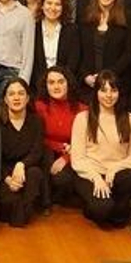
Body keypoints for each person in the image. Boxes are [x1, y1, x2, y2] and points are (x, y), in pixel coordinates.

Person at [70, 72, 131, 227]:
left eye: (113, 90)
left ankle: (120, 204)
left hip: (117, 174)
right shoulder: (83, 118)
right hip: (91, 174)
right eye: (103, 90)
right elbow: (77, 159)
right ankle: (101, 205)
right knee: (102, 210)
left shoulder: (130, 119)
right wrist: (96, 177)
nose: (109, 95)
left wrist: (115, 168)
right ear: (96, 92)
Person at [74, 0, 131, 104]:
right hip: (88, 87)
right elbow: (77, 51)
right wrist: (86, 76)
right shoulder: (85, 18)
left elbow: (130, 53)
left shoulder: (127, 18)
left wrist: (107, 77)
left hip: (116, 86)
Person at [0, 77, 47, 226]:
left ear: (27, 98)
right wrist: (8, 179)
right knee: (11, 203)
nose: (16, 98)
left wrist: (21, 165)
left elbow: (37, 152)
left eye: (21, 93)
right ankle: (20, 212)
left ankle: (22, 212)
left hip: (27, 169)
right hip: (3, 174)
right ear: (5, 99)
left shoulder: (36, 121)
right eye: (11, 94)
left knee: (35, 174)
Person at [35, 66, 81, 207]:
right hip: (45, 154)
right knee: (45, 153)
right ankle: (45, 202)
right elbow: (37, 138)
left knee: (62, 179)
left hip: (74, 155)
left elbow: (86, 143)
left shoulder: (82, 109)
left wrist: (67, 157)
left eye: (61, 82)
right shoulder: (39, 107)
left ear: (69, 84)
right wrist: (61, 147)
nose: (56, 86)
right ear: (46, 86)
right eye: (51, 82)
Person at [32, 0, 77, 97]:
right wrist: (44, 85)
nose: (53, 8)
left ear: (63, 8)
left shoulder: (72, 30)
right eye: (49, 3)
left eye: (58, 4)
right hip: (37, 89)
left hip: (64, 89)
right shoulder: (32, 29)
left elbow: (73, 61)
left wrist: (59, 84)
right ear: (42, 5)